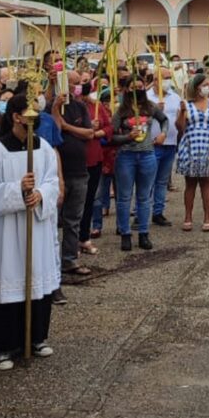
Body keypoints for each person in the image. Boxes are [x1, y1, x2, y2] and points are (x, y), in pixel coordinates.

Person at [0, 92, 60, 370]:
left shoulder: (43, 148)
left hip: (35, 225)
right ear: (16, 117)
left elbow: (52, 182)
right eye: (30, 113)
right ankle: (2, 346)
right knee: (8, 278)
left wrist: (40, 195)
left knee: (35, 276)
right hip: (6, 233)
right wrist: (17, 191)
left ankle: (35, 338)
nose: (36, 117)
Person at [111, 78, 167, 251]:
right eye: (133, 87)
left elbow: (164, 120)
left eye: (140, 87)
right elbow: (111, 136)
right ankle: (125, 233)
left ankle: (144, 233)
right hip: (126, 156)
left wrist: (163, 134)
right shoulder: (121, 110)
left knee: (144, 197)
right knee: (124, 197)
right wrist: (127, 137)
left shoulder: (150, 106)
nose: (137, 90)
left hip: (147, 154)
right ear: (126, 90)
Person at [52, 80, 96, 279]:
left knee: (73, 220)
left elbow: (89, 133)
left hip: (79, 171)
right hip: (56, 174)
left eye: (78, 83)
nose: (76, 86)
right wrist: (55, 110)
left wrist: (67, 126)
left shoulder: (80, 107)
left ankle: (69, 259)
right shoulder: (49, 106)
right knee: (52, 220)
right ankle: (50, 260)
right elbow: (55, 132)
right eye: (72, 82)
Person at [177, 73, 209, 231]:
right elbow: (180, 128)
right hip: (190, 146)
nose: (207, 87)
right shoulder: (186, 104)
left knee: (206, 182)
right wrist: (182, 113)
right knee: (190, 183)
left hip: (208, 146)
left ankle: (207, 216)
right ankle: (188, 216)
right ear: (196, 87)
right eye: (204, 84)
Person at [79, 83, 114, 252]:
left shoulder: (97, 106)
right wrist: (86, 130)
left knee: (90, 199)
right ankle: (71, 242)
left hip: (94, 158)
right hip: (75, 160)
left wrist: (97, 133)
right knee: (74, 203)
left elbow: (109, 127)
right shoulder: (67, 106)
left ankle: (84, 238)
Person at [146, 73, 181, 226]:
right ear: (155, 80)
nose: (166, 80)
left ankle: (158, 212)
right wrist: (154, 111)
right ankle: (141, 212)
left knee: (162, 180)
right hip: (152, 144)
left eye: (168, 77)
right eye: (163, 77)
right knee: (148, 181)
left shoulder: (175, 97)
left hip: (170, 143)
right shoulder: (146, 97)